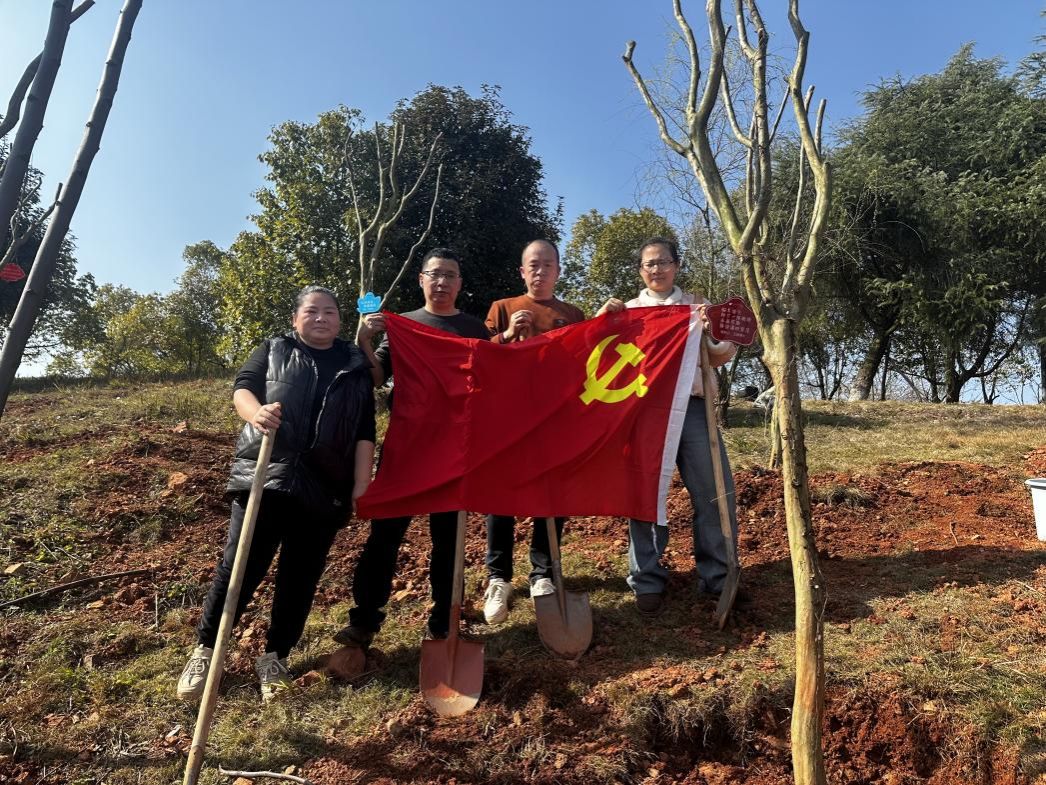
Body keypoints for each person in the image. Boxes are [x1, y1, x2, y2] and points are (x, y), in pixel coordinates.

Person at [176, 286, 376, 701]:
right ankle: (206, 651)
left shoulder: (354, 365)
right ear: (295, 318)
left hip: (325, 485)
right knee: (239, 568)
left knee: (299, 578)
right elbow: (243, 388)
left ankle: (275, 658)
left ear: (340, 320)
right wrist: (257, 413)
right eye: (312, 311)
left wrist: (361, 483)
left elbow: (363, 430)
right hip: (265, 475)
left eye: (330, 312)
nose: (321, 318)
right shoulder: (274, 348)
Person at [334, 248, 490, 649]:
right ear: (421, 279)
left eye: (450, 275)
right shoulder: (403, 325)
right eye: (435, 274)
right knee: (385, 534)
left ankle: (445, 620)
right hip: (407, 446)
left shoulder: (475, 329)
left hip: (456, 451)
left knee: (449, 540)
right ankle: (364, 621)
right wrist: (363, 339)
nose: (442, 282)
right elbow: (375, 377)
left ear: (459, 283)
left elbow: (494, 380)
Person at [597, 237, 738, 618]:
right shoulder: (629, 311)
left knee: (714, 492)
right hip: (645, 413)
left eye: (663, 262)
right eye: (649, 264)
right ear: (640, 271)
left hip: (693, 409)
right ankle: (646, 579)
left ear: (676, 265)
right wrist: (602, 319)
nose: (656, 269)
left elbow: (720, 356)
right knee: (645, 494)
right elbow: (599, 354)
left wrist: (711, 331)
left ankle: (719, 576)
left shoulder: (696, 307)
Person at [481, 239, 586, 625]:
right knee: (500, 495)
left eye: (547, 265)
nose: (540, 271)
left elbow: (584, 364)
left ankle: (543, 573)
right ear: (522, 271)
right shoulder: (501, 308)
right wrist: (507, 335)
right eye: (533, 265)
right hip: (507, 419)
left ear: (558, 270)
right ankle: (499, 577)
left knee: (552, 494)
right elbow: (480, 358)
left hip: (555, 419)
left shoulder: (572, 314)